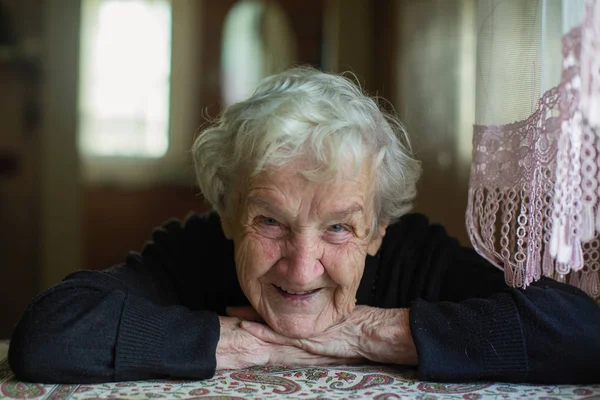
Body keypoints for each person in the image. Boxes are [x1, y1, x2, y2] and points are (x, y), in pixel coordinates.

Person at [8, 67, 600, 384]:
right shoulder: (199, 250)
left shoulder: (413, 252)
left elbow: (582, 333)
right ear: (230, 214)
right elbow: (48, 335)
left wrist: (368, 333)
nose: (300, 265)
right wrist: (234, 343)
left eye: (340, 228)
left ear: (377, 230)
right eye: (270, 220)